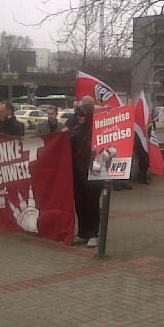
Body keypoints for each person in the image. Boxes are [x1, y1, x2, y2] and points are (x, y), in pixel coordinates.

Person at [70, 102, 101, 247]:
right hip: (78, 172)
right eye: (77, 114)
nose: (79, 117)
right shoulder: (75, 130)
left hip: (93, 172)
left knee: (92, 204)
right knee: (80, 203)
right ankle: (83, 232)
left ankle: (93, 233)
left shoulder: (97, 131)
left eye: (82, 114)